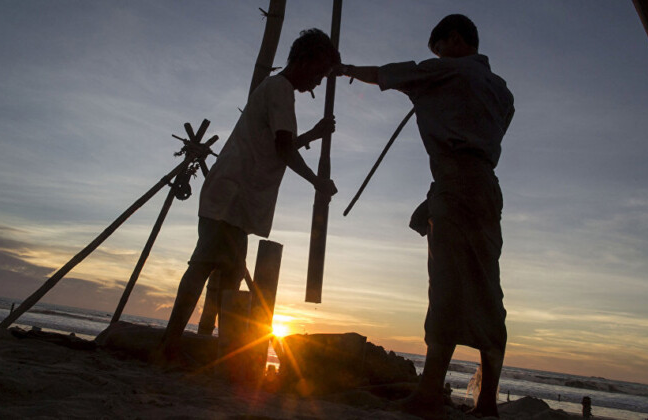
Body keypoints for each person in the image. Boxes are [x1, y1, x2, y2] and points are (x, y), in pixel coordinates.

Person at [338, 14, 514, 419]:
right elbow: (489, 127)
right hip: (486, 189)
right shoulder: (502, 91)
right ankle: (487, 403)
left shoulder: (446, 70)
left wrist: (345, 69)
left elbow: (387, 74)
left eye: (438, 48)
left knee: (447, 287)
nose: (436, 56)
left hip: (456, 186)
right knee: (488, 289)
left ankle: (429, 394)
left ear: (454, 40)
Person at [156, 28, 340, 362]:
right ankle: (170, 346)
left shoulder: (276, 89)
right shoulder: (280, 89)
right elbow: (283, 148)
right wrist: (317, 181)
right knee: (204, 266)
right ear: (304, 60)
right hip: (233, 193)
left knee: (229, 275)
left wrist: (312, 134)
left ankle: (220, 354)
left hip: (236, 196)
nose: (318, 82)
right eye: (319, 73)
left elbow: (276, 145)